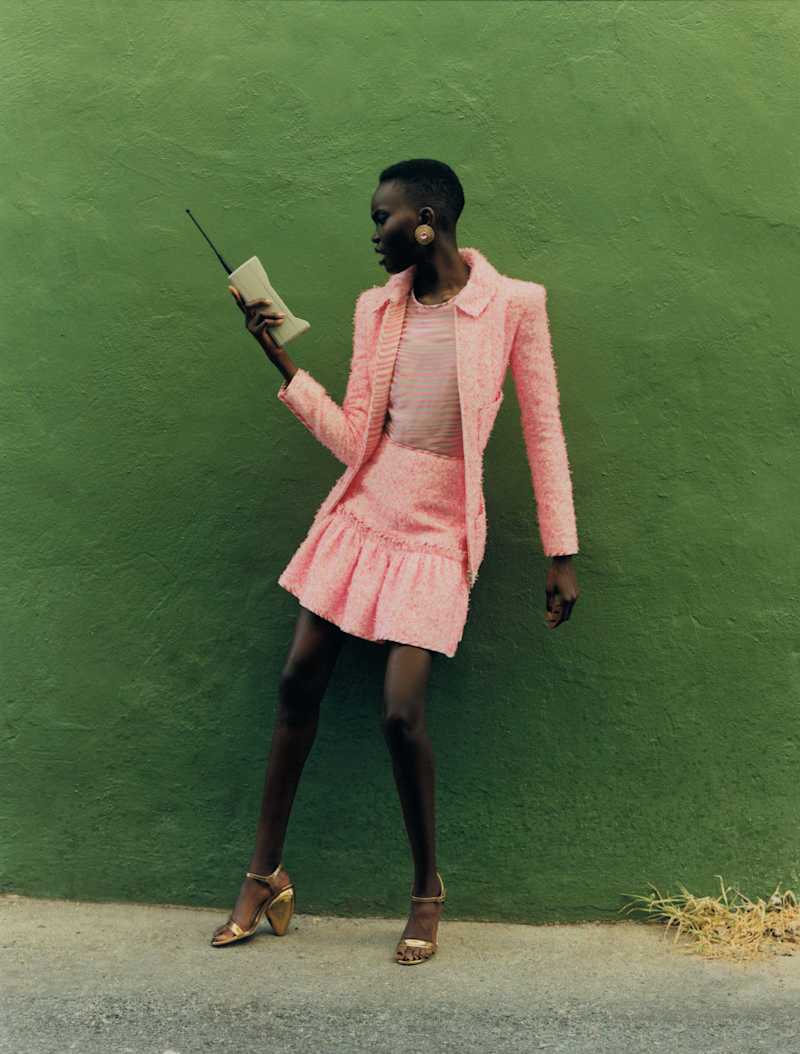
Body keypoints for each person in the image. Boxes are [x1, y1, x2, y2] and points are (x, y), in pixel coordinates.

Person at [210, 159, 581, 964]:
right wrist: (279, 359)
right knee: (297, 680)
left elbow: (543, 427)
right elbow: (356, 438)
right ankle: (264, 874)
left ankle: (426, 891)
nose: (374, 235)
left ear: (426, 220)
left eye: (383, 219)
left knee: (400, 710)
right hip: (366, 510)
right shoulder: (376, 309)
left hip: (441, 531)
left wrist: (562, 550)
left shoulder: (514, 306)